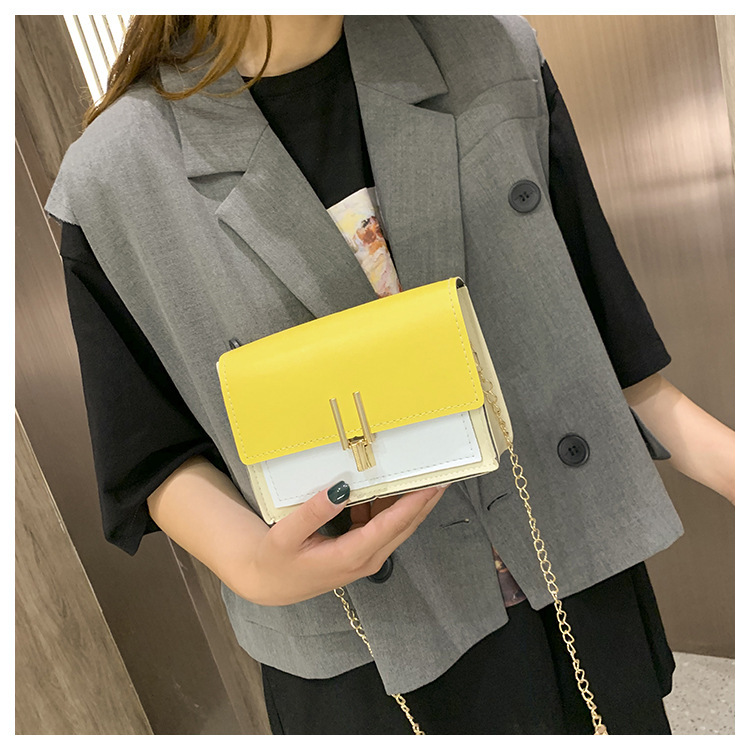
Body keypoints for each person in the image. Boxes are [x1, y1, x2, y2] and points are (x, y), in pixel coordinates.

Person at [47, 15, 734, 735]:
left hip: (571, 567)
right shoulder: (113, 180)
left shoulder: (488, 50)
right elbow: (152, 452)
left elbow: (602, 331)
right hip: (368, 639)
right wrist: (254, 566)